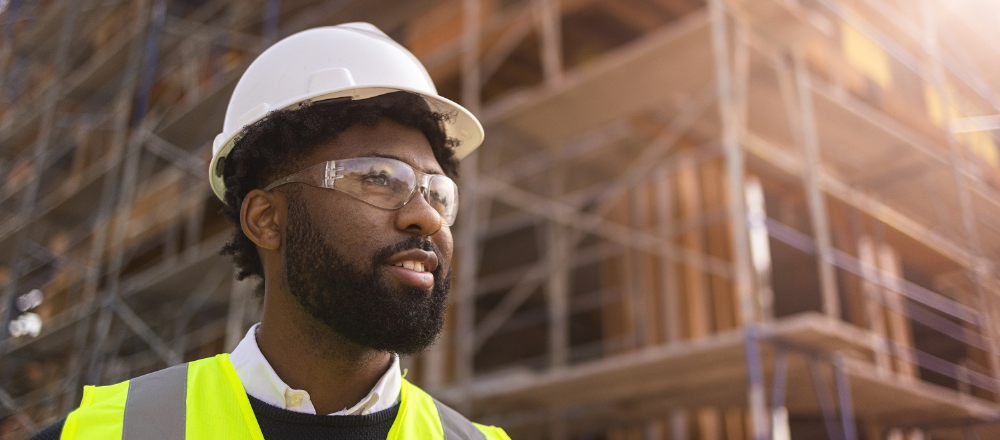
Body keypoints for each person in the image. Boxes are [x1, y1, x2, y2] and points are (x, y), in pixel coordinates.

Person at [33, 23, 509, 440]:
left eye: (438, 193)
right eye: (380, 179)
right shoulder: (107, 433)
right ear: (266, 219)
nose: (427, 217)